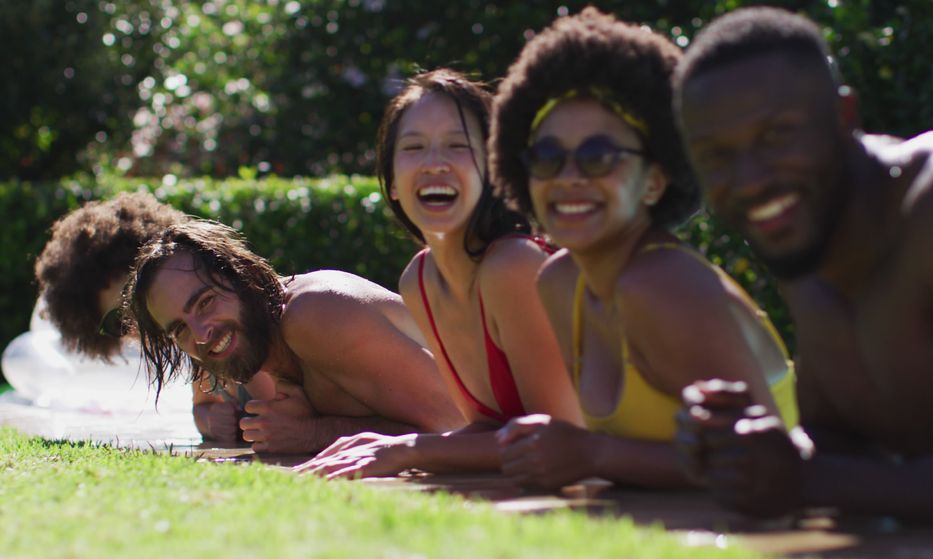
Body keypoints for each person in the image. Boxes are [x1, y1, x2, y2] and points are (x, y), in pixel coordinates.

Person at [673, 6, 933, 522]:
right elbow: (843, 449)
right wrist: (742, 448)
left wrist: (807, 479)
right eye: (717, 157)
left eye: (777, 135)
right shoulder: (805, 237)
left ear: (845, 118)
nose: (750, 179)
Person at [485, 8, 798, 490]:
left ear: (654, 181)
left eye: (598, 156)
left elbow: (766, 462)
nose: (569, 177)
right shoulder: (559, 282)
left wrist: (592, 454)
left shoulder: (663, 285)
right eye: (547, 157)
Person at [295, 69, 581, 479]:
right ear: (392, 182)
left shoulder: (514, 264)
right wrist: (394, 445)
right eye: (414, 147)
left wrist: (412, 450)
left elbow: (559, 442)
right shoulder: (421, 280)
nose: (434, 163)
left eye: (457, 146)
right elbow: (489, 428)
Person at [126, 218, 465, 453]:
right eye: (180, 329)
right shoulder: (265, 348)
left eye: (205, 302)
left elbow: (455, 423)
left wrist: (312, 434)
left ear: (241, 275)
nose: (200, 335)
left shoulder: (315, 313)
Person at [25, 192, 273, 433]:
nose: (138, 324)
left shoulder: (234, 334)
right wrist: (210, 420)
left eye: (137, 303)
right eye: (120, 323)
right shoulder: (198, 349)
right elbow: (202, 407)